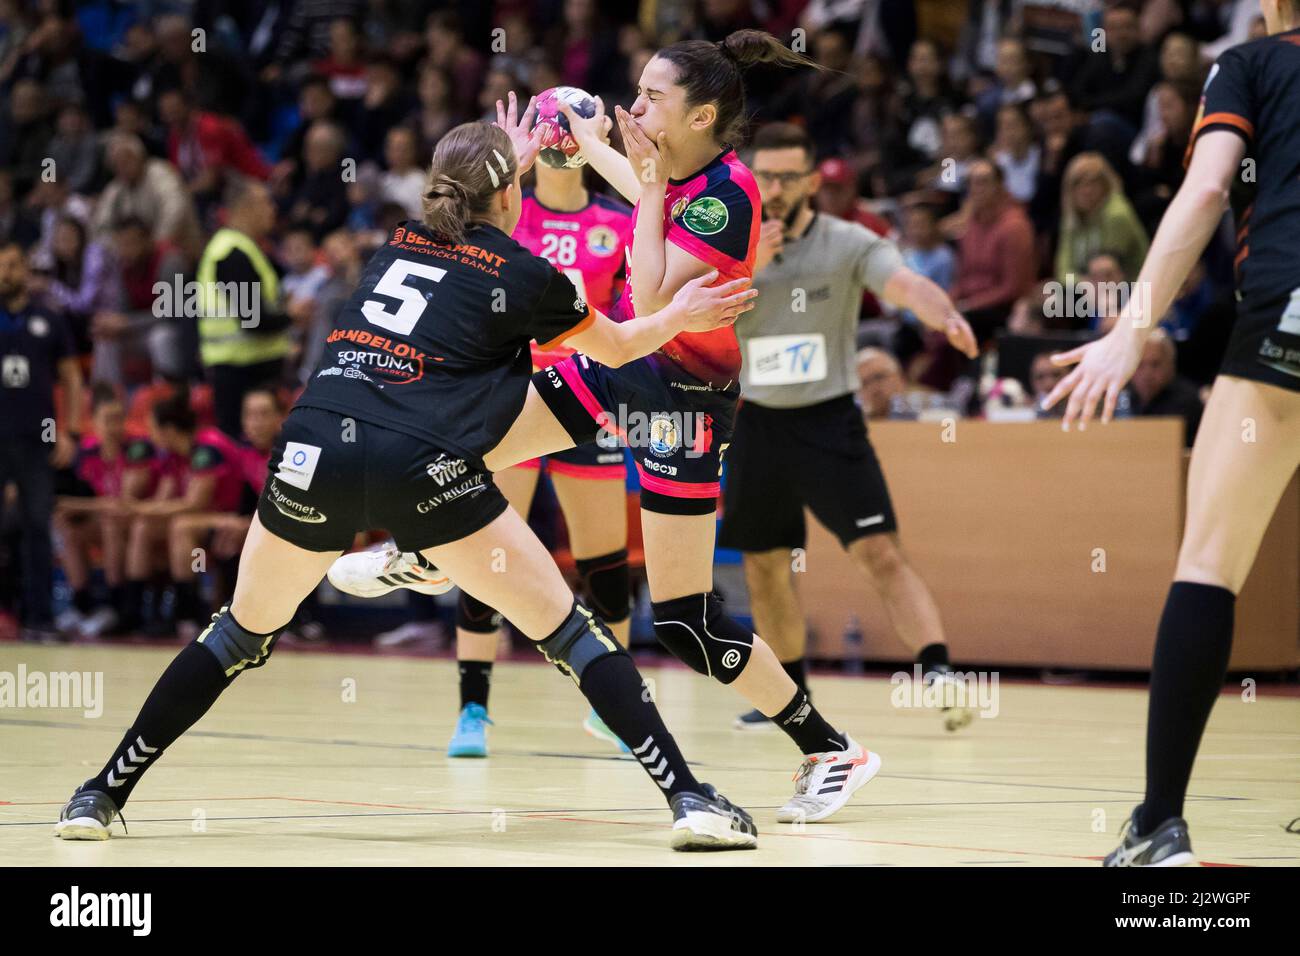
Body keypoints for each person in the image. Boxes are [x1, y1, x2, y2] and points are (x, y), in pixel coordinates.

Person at [55, 113, 761, 851]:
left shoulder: (395, 242)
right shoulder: (528, 276)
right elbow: (619, 345)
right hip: (420, 466)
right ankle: (689, 798)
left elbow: (463, 228)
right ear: (514, 192)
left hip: (315, 445)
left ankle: (99, 794)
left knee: (237, 634)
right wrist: (680, 313)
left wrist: (499, 166)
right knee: (570, 633)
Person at [334, 31, 889, 825]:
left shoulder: (728, 193)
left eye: (652, 96)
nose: (634, 106)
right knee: (475, 438)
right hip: (629, 362)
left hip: (685, 400)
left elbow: (654, 282)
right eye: (635, 89)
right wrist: (597, 150)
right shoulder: (685, 172)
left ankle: (831, 750)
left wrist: (646, 187)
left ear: (701, 114)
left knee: (685, 622)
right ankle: (424, 553)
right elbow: (649, 204)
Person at [1045, 0, 1300, 867]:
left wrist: (1133, 329)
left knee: (1209, 566)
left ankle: (1159, 826)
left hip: (1287, 316)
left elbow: (1205, 189)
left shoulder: (1252, 64)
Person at [713, 123, 978, 733]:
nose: (775, 188)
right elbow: (690, 313)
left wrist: (943, 313)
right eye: (766, 176)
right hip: (754, 423)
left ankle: (936, 669)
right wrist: (750, 265)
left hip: (829, 420)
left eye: (787, 177)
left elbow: (903, 283)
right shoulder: (732, 247)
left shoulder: (847, 241)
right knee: (765, 563)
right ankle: (789, 700)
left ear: (811, 181)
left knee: (879, 550)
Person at [440, 142, 636, 758]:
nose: (559, 147)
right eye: (548, 139)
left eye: (570, 136)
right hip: (513, 401)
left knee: (604, 564)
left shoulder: (616, 222)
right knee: (485, 554)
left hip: (587, 402)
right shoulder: (508, 219)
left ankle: (613, 711)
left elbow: (632, 311)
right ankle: (473, 710)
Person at [0, 241, 83, 642]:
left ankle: (40, 619)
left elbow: (71, 377)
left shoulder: (48, 320)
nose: (5, 273)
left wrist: (69, 430)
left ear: (25, 270)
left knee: (37, 526)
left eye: (12, 265)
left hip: (36, 441)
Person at [53, 383, 158, 638]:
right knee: (67, 526)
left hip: (143, 522)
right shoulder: (87, 453)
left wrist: (86, 506)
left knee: (111, 520)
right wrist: (88, 506)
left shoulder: (137, 448)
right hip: (109, 520)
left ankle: (114, 604)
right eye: (108, 420)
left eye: (119, 418)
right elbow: (62, 502)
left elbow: (124, 502)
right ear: (95, 422)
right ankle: (82, 605)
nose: (115, 426)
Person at [196, 181, 292, 439]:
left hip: (247, 369)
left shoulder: (242, 248)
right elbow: (253, 319)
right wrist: (292, 315)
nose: (273, 209)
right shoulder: (232, 253)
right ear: (246, 208)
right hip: (244, 373)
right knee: (241, 452)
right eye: (266, 202)